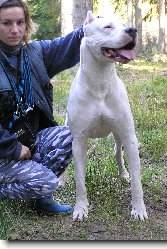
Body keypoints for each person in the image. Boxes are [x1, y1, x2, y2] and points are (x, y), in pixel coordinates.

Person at [0, 0, 84, 215]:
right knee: (47, 182)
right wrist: (13, 148)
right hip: (4, 149)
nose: (15, 30)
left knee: (69, 136)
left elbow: (65, 45)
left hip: (26, 141)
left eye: (20, 22)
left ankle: (40, 200)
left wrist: (91, 30)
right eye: (6, 23)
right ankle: (28, 186)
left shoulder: (35, 53)